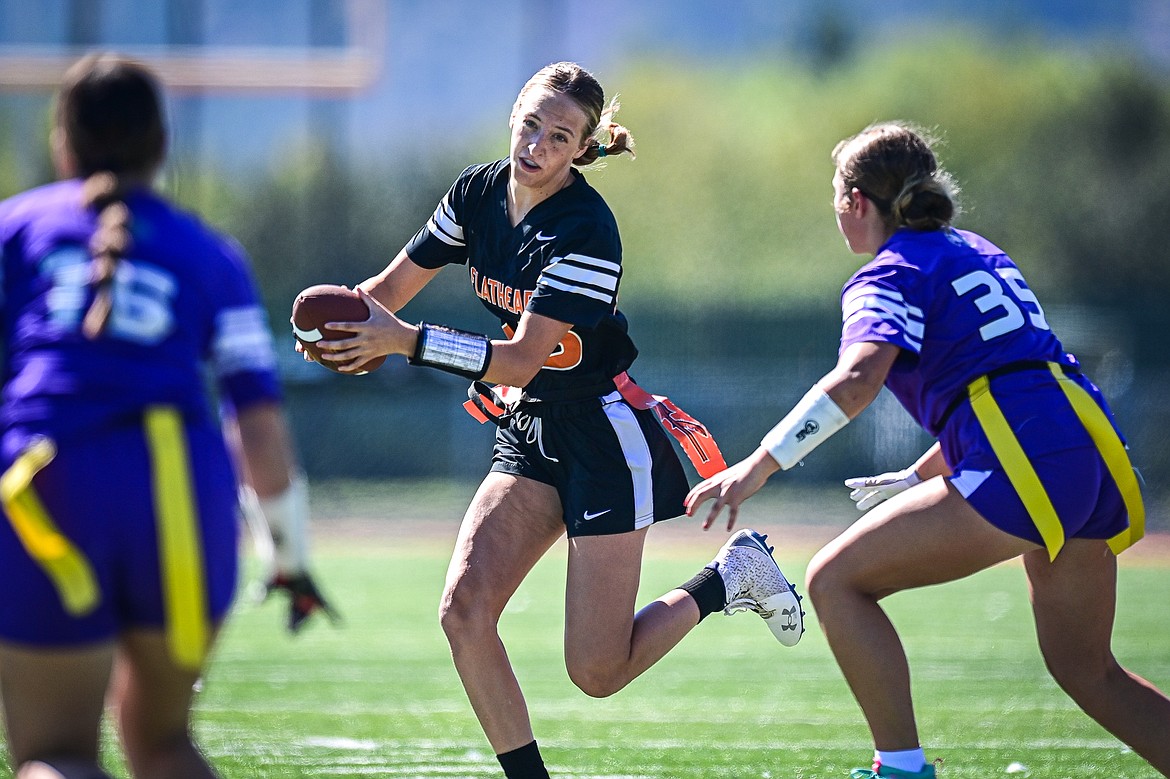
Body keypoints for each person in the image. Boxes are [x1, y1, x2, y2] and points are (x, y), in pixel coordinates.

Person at [305, 61, 805, 779]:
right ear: (514, 114)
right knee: (464, 610)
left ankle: (729, 577)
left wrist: (405, 342)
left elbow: (519, 359)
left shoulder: (587, 228)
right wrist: (339, 329)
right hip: (531, 427)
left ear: (582, 149)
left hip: (603, 434)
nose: (537, 144)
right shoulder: (475, 192)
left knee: (597, 670)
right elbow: (383, 294)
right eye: (531, 124)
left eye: (559, 135)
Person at [686, 121, 1170, 778]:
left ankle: (903, 769)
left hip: (1025, 456)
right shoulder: (975, 249)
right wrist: (921, 470)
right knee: (1089, 669)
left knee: (835, 581)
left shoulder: (887, 274)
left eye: (837, 197)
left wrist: (759, 463)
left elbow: (858, 380)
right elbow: (1007, 376)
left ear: (856, 202)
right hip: (1085, 443)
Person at [0, 53, 330, 779]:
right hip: (178, 489)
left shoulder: (14, 230)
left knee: (55, 753)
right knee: (163, 742)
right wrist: (289, 556)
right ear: (160, 145)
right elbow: (261, 428)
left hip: (47, 485)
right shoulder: (209, 254)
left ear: (64, 141)